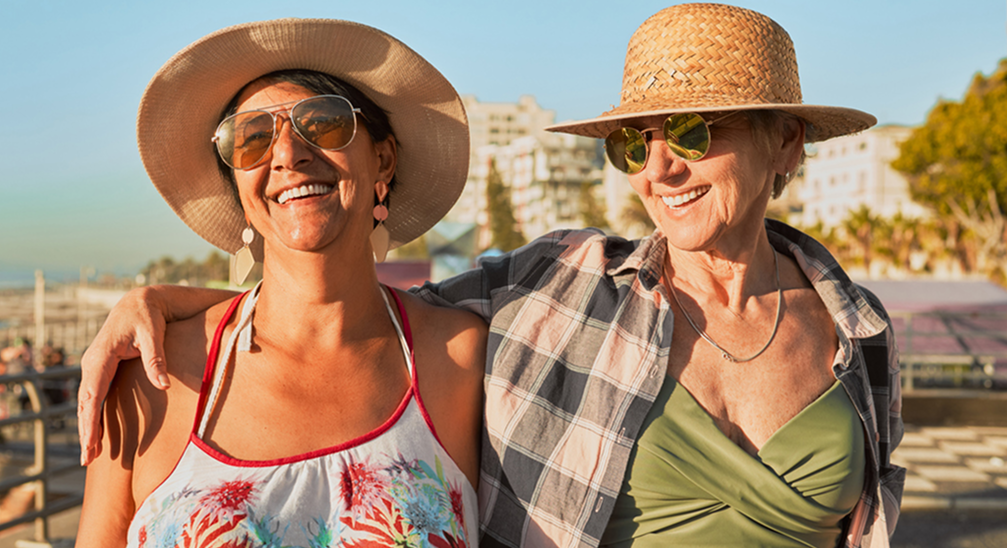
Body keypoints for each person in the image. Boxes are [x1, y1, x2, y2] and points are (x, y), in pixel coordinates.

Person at [79, 5, 903, 547]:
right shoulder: (561, 288)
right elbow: (336, 310)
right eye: (634, 143)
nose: (660, 168)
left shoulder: (858, 330)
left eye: (693, 131)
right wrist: (165, 304)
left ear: (786, 142)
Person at [73, 18, 485, 548]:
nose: (288, 154)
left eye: (324, 123)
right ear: (238, 186)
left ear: (382, 160)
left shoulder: (462, 360)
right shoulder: (152, 375)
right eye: (251, 138)